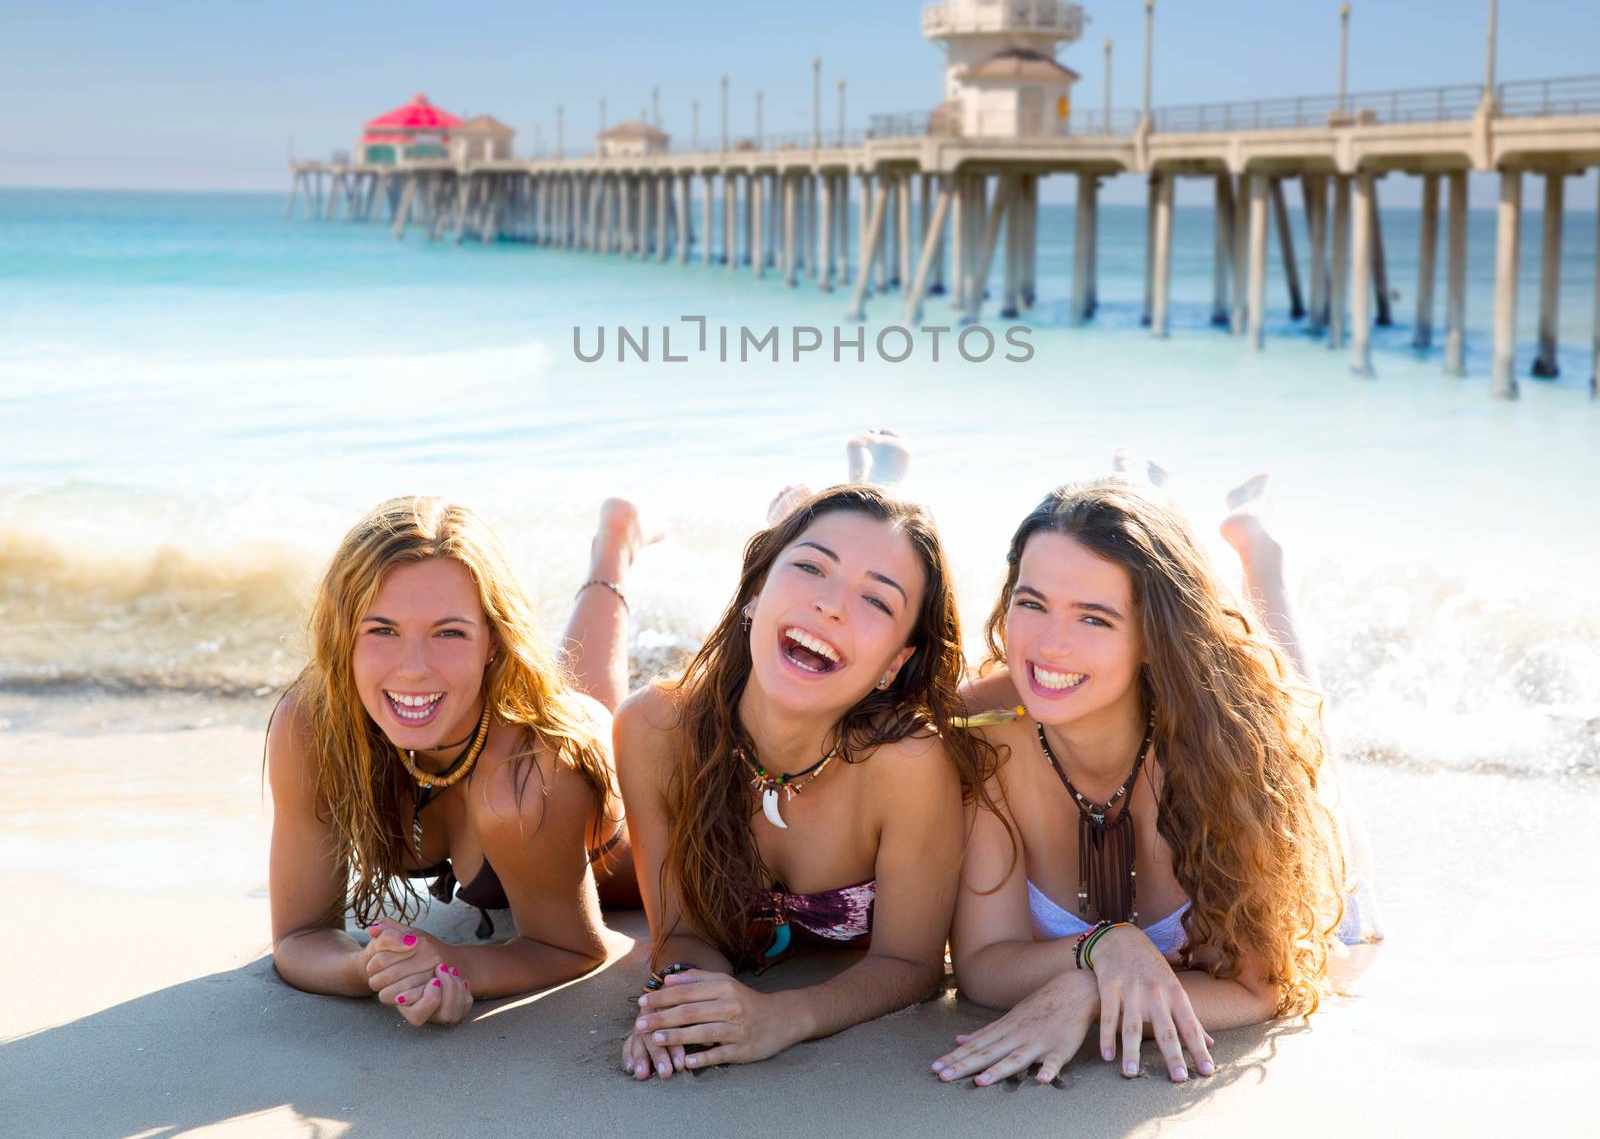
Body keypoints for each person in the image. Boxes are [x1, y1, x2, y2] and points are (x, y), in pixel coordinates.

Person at [932, 472, 1378, 1088]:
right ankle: (1148, 494)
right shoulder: (990, 738)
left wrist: (1092, 991)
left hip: (1298, 849)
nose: (1048, 644)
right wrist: (1106, 947)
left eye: (1094, 617)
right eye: (1031, 603)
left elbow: (1262, 985)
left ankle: (1261, 558)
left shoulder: (1232, 755)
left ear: (1152, 635)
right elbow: (983, 969)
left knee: (1301, 713)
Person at [616, 476, 992, 1078]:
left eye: (878, 600)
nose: (833, 604)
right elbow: (682, 933)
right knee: (589, 722)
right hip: (614, 842)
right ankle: (614, 547)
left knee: (983, 693)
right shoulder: (655, 730)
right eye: (811, 567)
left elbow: (911, 965)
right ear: (755, 591)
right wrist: (682, 1006)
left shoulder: (910, 762)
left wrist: (781, 1017)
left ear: (896, 663)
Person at [265, 493, 656, 1027]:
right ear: (343, 635)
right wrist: (368, 968)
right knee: (580, 692)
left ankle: (619, 550)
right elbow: (298, 937)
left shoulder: (530, 772)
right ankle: (614, 542)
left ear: (492, 640)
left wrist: (459, 964)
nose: (414, 668)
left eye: (450, 632)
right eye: (382, 629)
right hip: (512, 725)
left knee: (600, 717)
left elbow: (579, 948)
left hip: (619, 834)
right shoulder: (313, 728)